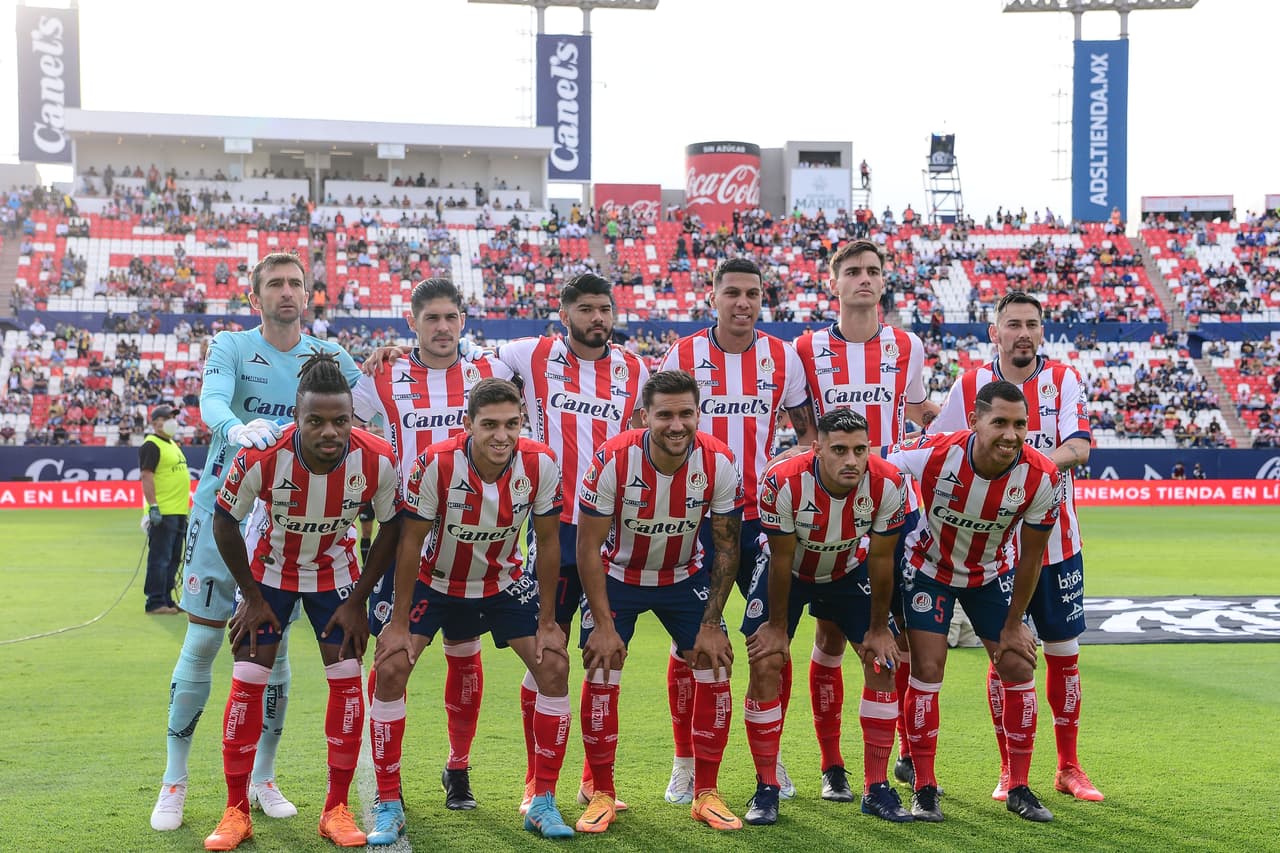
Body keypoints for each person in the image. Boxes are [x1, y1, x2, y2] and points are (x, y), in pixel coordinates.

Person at [150, 253, 363, 832]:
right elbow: (213, 401)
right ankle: (175, 779)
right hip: (224, 510)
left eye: (296, 283)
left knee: (276, 652)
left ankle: (264, 778)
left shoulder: (331, 357)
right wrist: (234, 429)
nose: (287, 292)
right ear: (255, 297)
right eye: (275, 283)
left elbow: (369, 408)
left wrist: (393, 368)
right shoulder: (232, 346)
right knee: (201, 642)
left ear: (310, 294)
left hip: (292, 522)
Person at [355, 378, 576, 843]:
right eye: (490, 425)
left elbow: (550, 542)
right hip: (433, 583)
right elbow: (410, 544)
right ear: (468, 425)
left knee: (554, 666)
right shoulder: (436, 463)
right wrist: (396, 625)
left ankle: (543, 801)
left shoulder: (540, 464)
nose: (502, 436)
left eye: (512, 424)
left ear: (523, 423)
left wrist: (549, 622)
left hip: (502, 582)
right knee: (391, 668)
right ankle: (389, 801)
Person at [202, 352, 401, 851]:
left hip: (337, 579)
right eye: (316, 420)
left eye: (341, 420)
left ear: (353, 418)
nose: (330, 431)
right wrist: (249, 596)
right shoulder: (264, 457)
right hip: (268, 576)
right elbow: (224, 520)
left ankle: (335, 808)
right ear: (297, 416)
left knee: (347, 685)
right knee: (248, 681)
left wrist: (359, 600)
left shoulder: (376, 458)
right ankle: (235, 811)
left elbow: (393, 526)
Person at [932, 291, 1103, 802]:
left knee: (1064, 655)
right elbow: (938, 448)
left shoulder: (1064, 379)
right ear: (995, 332)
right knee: (1005, 654)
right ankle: (1010, 769)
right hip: (995, 551)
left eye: (1032, 324)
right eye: (1013, 324)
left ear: (1041, 331)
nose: (1023, 333)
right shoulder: (969, 386)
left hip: (1058, 544)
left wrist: (1028, 468)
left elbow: (1079, 445)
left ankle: (1069, 767)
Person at [351, 278, 514, 812]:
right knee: (392, 658)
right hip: (406, 542)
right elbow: (345, 426)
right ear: (412, 323)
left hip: (473, 544)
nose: (442, 328)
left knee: (464, 657)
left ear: (462, 320)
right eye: (431, 319)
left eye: (450, 317)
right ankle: (384, 781)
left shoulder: (488, 372)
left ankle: (458, 768)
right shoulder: (383, 373)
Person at [657, 257, 816, 803]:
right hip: (693, 519)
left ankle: (769, 762)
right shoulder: (683, 355)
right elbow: (654, 425)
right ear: (713, 298)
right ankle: (685, 762)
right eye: (732, 293)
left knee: (772, 639)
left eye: (752, 292)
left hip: (759, 521)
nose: (743, 302)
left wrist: (789, 467)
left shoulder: (782, 356)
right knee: (690, 645)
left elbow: (807, 433)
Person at [495, 273, 648, 810]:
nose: (598, 319)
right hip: (553, 525)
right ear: (564, 314)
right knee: (547, 654)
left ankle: (593, 780)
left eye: (604, 309)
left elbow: (639, 433)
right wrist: (396, 355)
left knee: (607, 655)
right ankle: (537, 782)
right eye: (586, 309)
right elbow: (464, 366)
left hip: (613, 530)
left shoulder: (633, 367)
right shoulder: (529, 354)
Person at [792, 239, 938, 798]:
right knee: (830, 635)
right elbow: (806, 431)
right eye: (852, 271)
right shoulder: (806, 349)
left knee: (894, 639)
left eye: (873, 271)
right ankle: (833, 767)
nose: (864, 279)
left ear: (883, 281)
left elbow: (914, 415)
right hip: (827, 511)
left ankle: (902, 752)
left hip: (893, 509)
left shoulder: (908, 346)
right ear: (835, 282)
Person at [574, 370, 745, 834]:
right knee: (603, 661)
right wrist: (603, 624)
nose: (676, 424)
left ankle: (705, 792)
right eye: (664, 414)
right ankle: (602, 792)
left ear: (697, 414)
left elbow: (728, 548)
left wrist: (712, 621)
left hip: (682, 576)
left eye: (686, 413)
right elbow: (587, 547)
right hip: (618, 576)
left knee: (714, 660)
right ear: (643, 415)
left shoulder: (720, 461)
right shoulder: (613, 458)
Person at [887, 380, 1063, 823]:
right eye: (999, 422)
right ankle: (924, 788)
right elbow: (878, 460)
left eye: (1020, 424)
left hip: (991, 575)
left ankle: (1019, 786)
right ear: (973, 422)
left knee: (1018, 664)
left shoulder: (1042, 474)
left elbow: (1033, 555)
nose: (1010, 434)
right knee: (928, 670)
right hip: (929, 570)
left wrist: (1014, 624)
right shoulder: (935, 452)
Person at [740, 408, 912, 825]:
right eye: (839, 450)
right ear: (817, 449)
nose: (851, 460)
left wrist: (878, 628)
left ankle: (875, 788)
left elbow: (884, 557)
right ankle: (766, 789)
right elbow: (781, 559)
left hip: (849, 569)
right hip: (791, 571)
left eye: (859, 449)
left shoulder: (888, 481)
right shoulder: (783, 479)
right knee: (765, 662)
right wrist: (777, 629)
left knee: (882, 662)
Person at [139, 404, 190, 615]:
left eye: (173, 417)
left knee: (174, 558)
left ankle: (167, 599)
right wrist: (153, 506)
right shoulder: (151, 445)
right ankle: (155, 601)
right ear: (155, 422)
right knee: (160, 558)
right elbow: (146, 475)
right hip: (164, 511)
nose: (172, 420)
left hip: (178, 511)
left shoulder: (171, 444)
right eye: (167, 417)